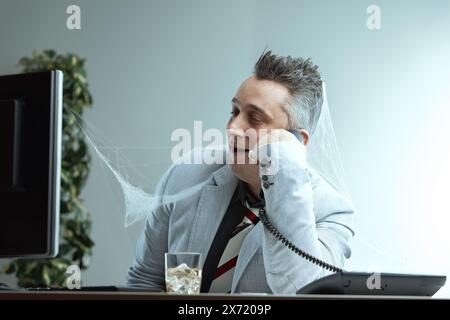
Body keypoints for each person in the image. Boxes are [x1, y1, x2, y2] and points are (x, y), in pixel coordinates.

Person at [127, 51, 355, 294]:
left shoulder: (331, 211)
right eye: (234, 112)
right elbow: (146, 280)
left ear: (296, 141)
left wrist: (284, 169)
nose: (233, 129)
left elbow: (299, 293)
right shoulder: (188, 173)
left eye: (255, 119)